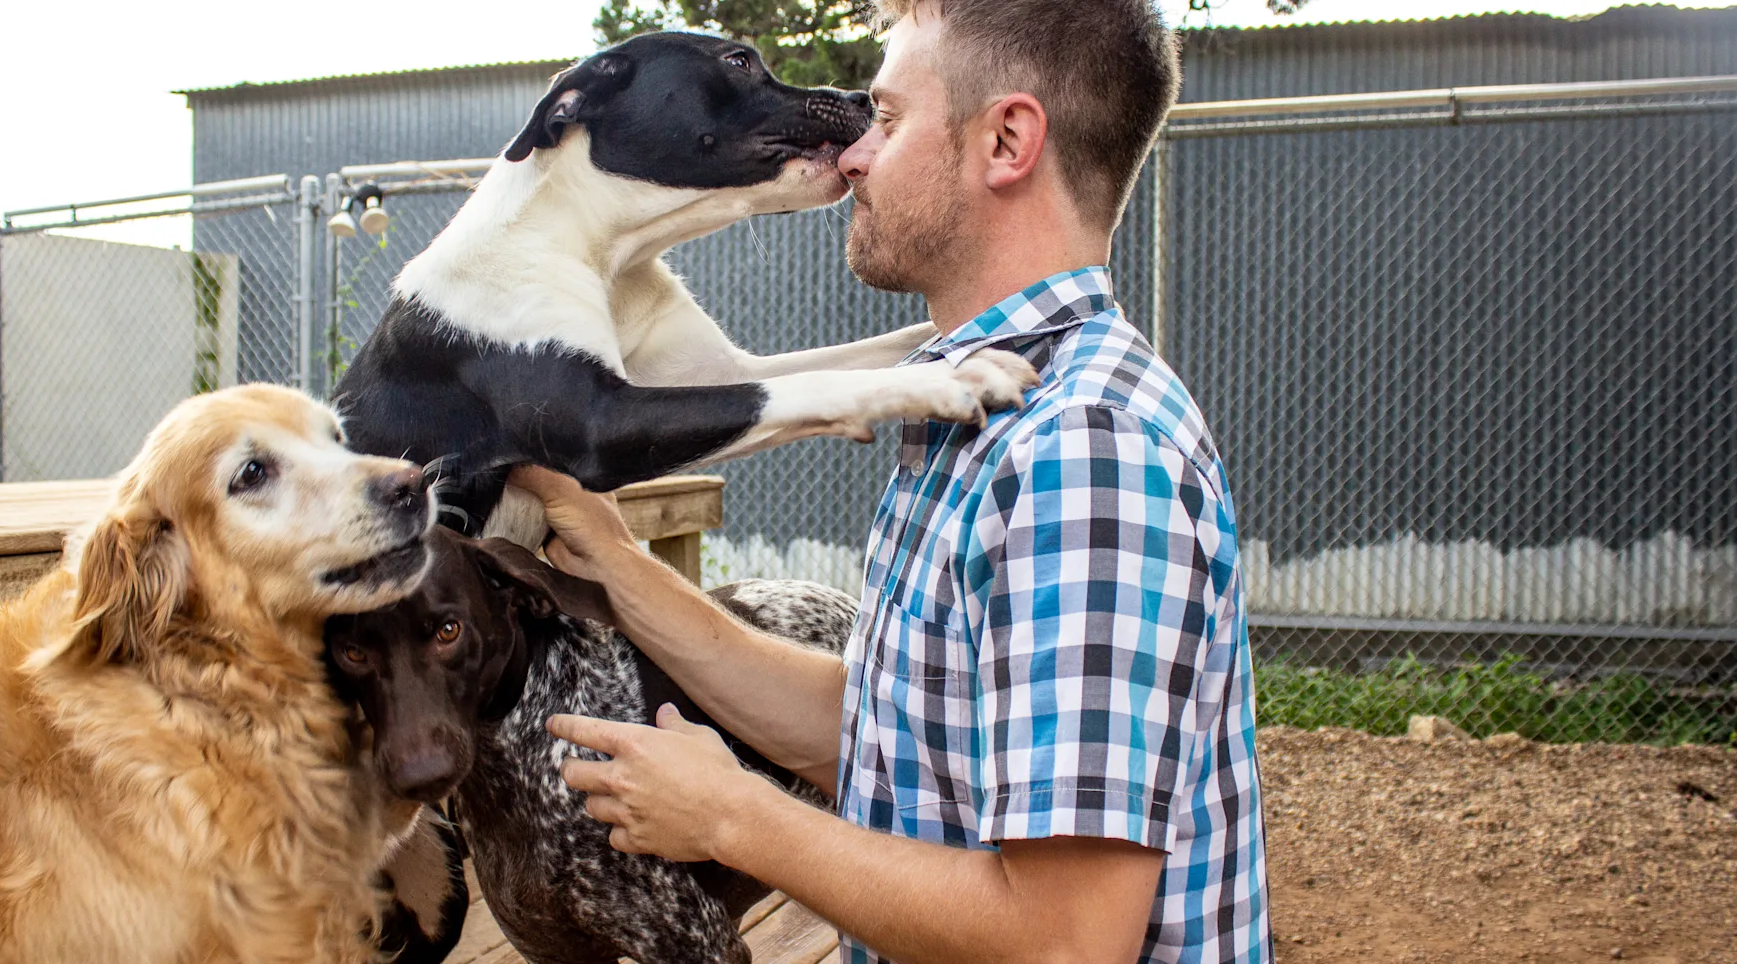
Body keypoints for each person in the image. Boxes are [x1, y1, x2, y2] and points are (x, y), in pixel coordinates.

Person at [508, 1, 1271, 961]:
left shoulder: (1082, 451)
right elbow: (880, 742)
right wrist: (619, 567)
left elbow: (1064, 942)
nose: (855, 154)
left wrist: (735, 819)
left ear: (1007, 141)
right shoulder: (991, 410)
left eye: (890, 117)